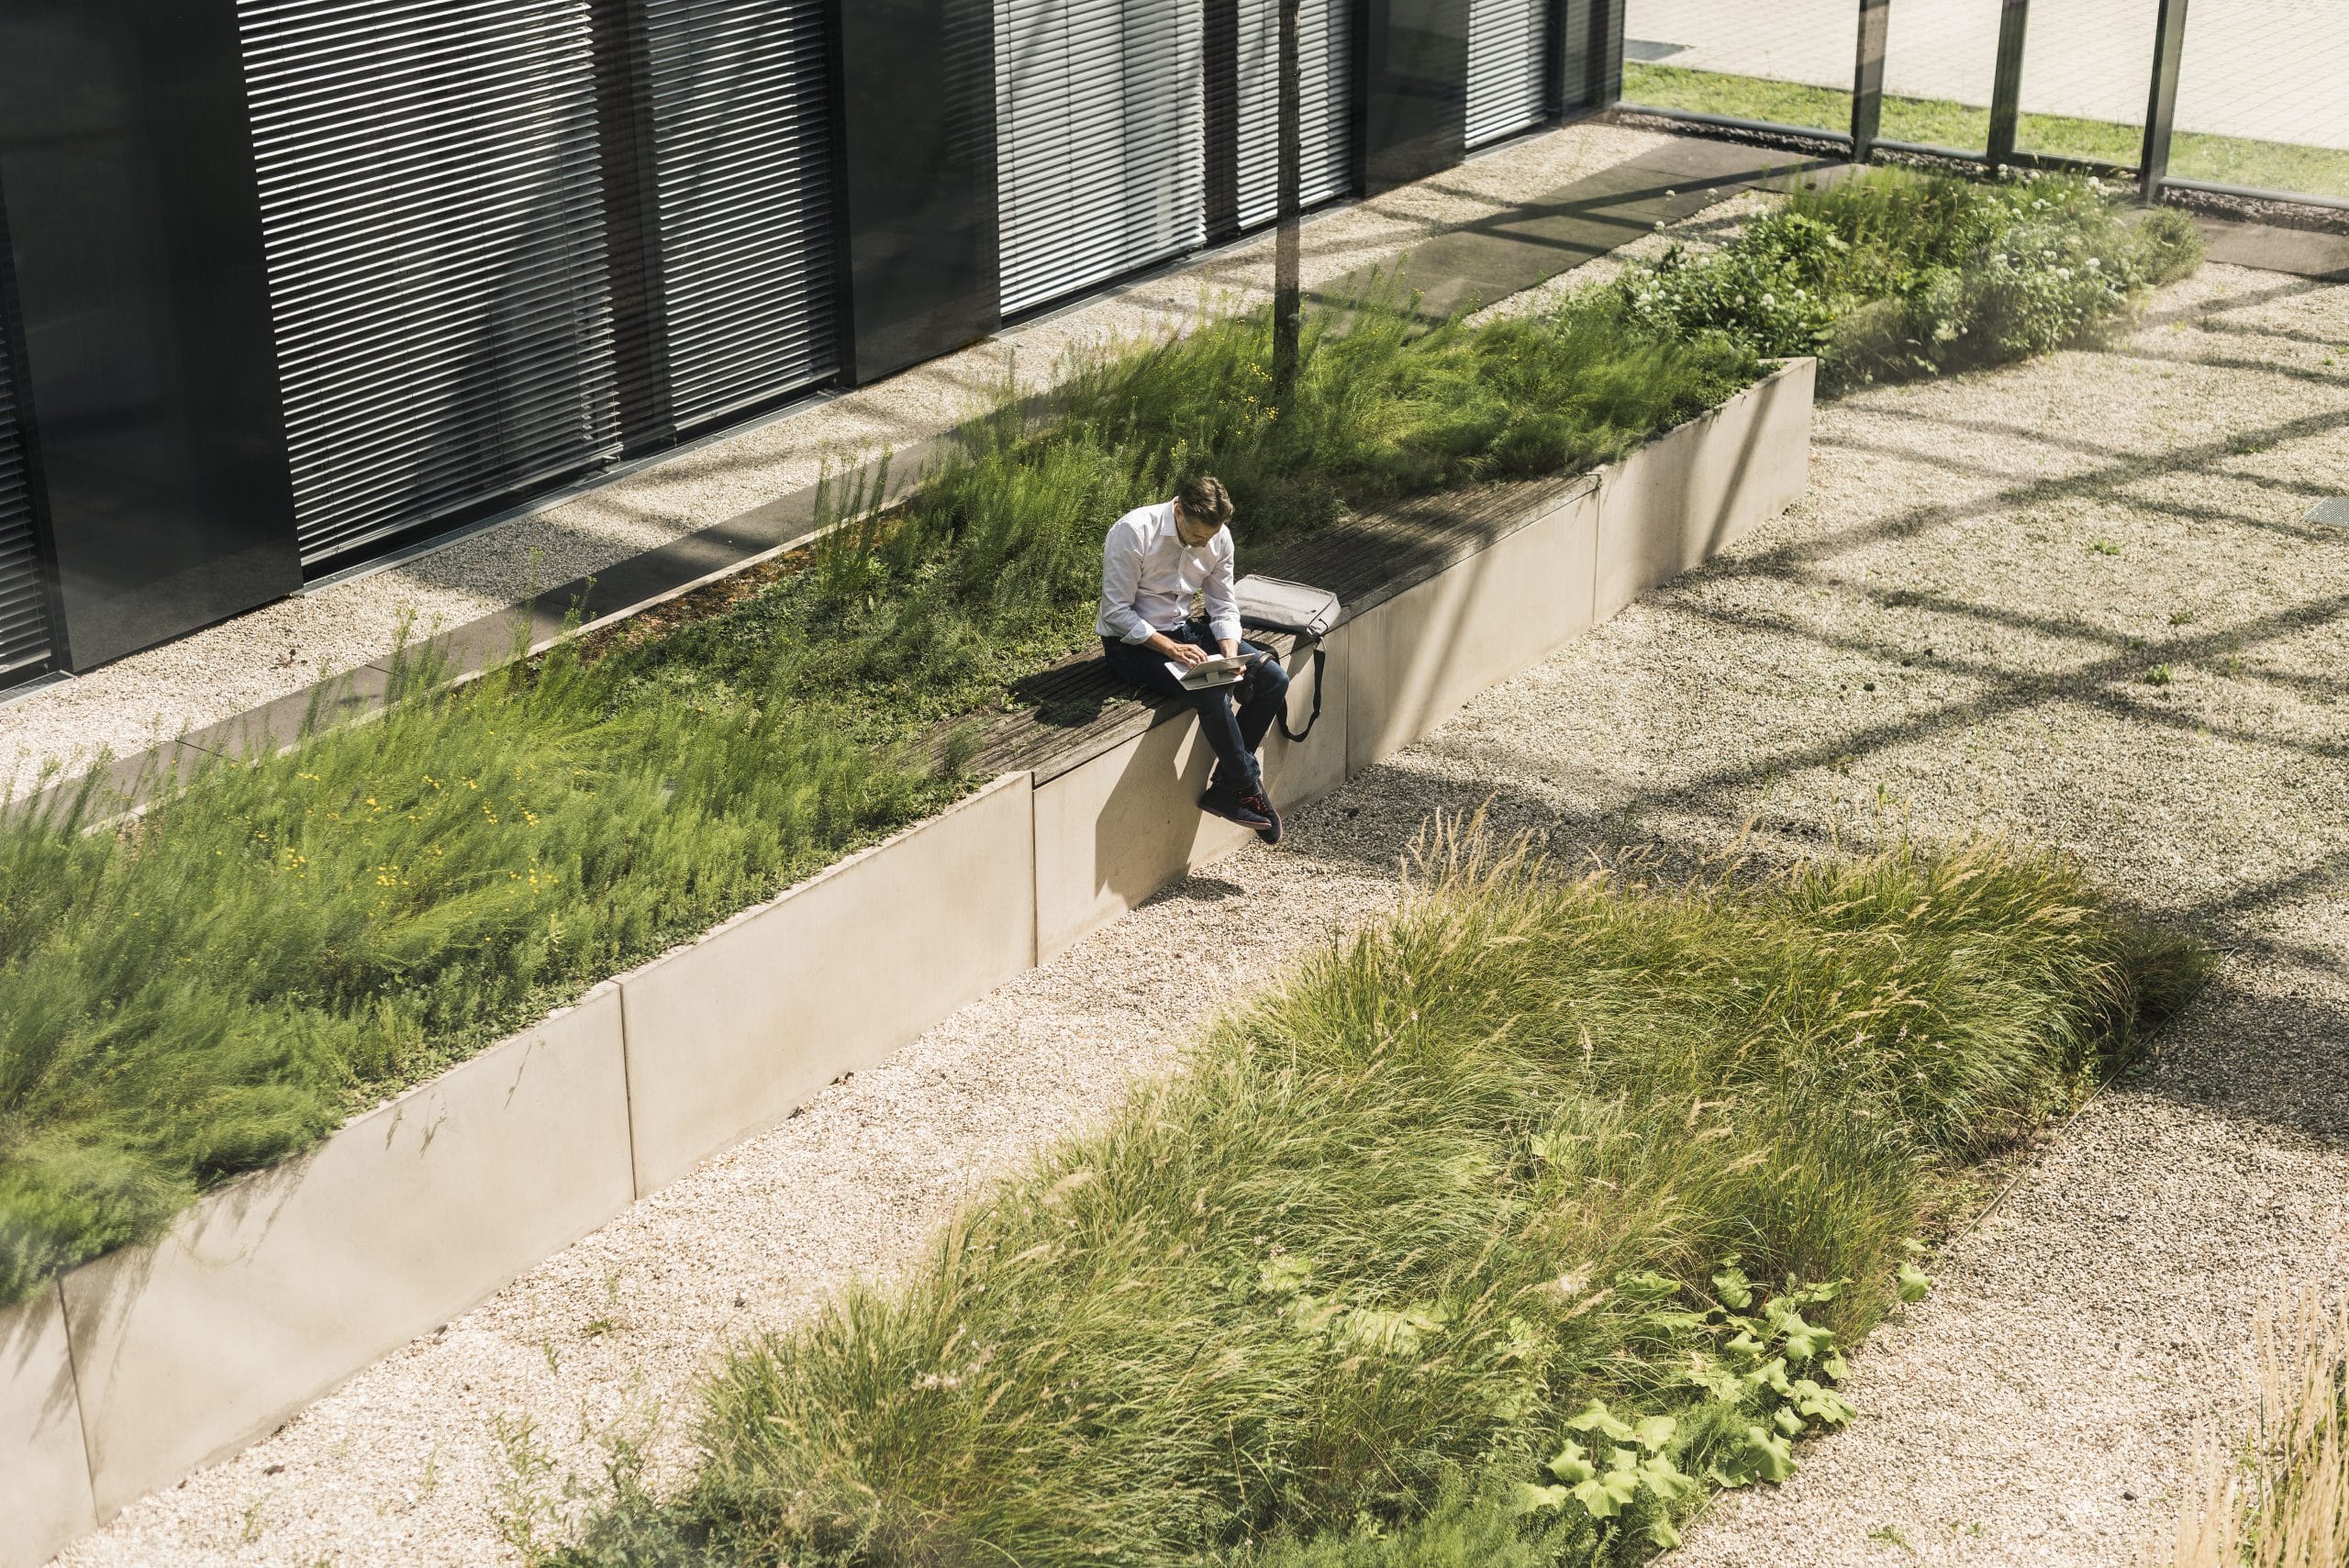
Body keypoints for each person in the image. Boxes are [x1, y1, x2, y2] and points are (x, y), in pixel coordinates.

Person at [1097, 474, 1290, 843]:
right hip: (1132, 646)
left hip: (1185, 630)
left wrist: (1230, 654)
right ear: (1178, 511)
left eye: (1210, 537)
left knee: (1272, 678)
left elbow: (1223, 605)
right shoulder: (1133, 532)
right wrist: (1170, 649)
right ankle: (1247, 787)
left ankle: (1225, 788)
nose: (1204, 543)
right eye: (1197, 537)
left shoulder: (1218, 537)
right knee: (1211, 691)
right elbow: (1115, 613)